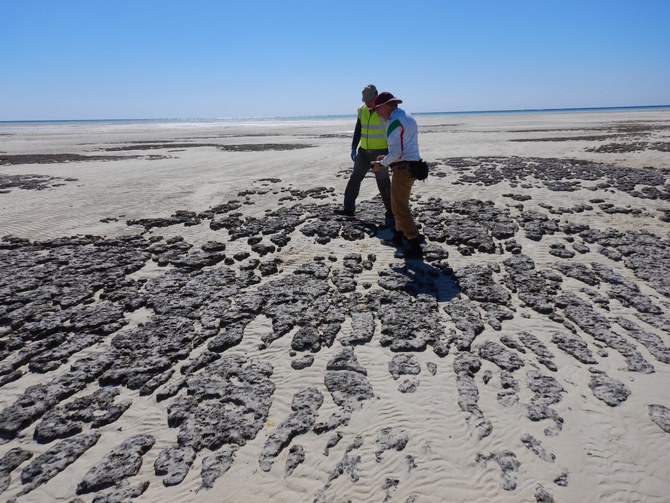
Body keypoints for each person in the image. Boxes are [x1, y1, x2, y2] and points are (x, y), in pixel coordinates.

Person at [371, 91, 423, 259]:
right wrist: (386, 158)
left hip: (403, 168)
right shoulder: (406, 115)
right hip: (412, 164)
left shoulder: (393, 121)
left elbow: (397, 152)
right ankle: (398, 238)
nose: (378, 114)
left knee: (399, 209)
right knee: (398, 205)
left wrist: (381, 164)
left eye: (378, 109)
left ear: (386, 106)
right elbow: (401, 148)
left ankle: (414, 245)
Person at [335, 84, 394, 226]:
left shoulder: (385, 109)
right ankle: (348, 209)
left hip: (381, 153)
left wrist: (392, 153)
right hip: (363, 152)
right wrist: (353, 147)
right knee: (354, 179)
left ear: (377, 95)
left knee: (383, 183)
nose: (367, 102)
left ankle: (391, 212)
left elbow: (393, 131)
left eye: (370, 99)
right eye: (365, 99)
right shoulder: (361, 109)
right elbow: (358, 129)